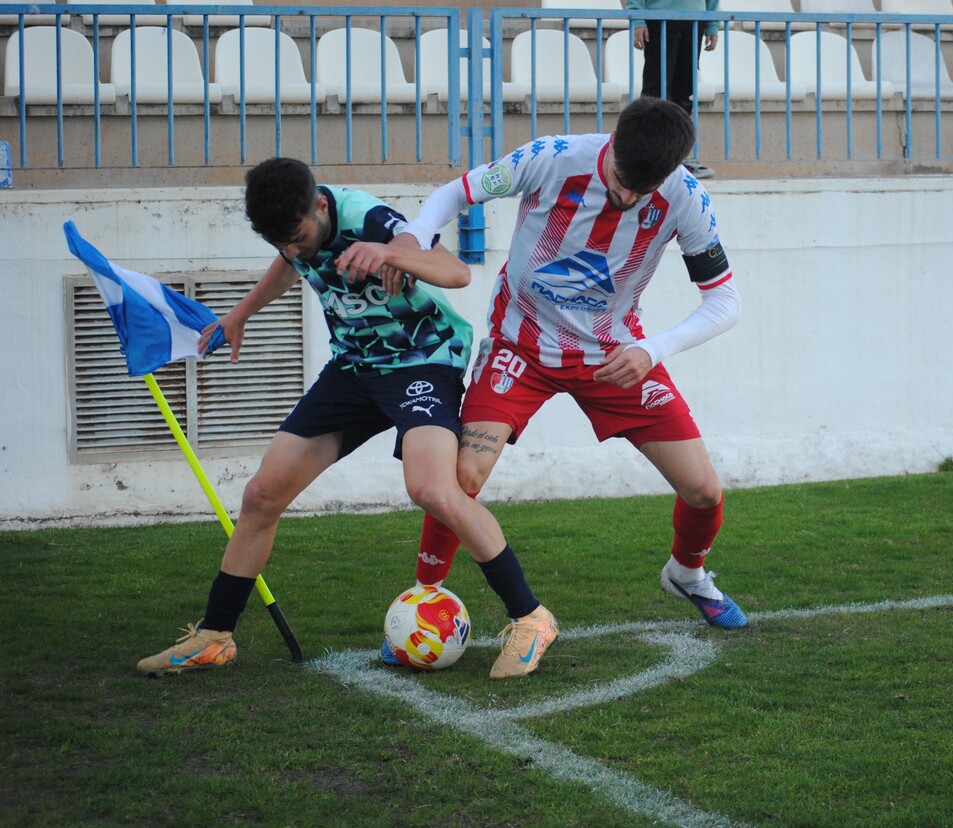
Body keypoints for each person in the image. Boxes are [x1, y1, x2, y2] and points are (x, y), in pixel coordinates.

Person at [137, 157, 557, 680]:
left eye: (297, 237)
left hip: (421, 360)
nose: (293, 250)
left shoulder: (370, 219)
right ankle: (215, 636)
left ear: (319, 205)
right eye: (280, 243)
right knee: (261, 495)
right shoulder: (293, 232)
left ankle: (531, 618)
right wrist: (240, 313)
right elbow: (289, 263)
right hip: (354, 369)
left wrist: (391, 252)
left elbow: (457, 273)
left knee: (433, 490)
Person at [396, 96, 748, 635]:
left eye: (642, 191)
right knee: (462, 476)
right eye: (621, 181)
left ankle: (687, 574)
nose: (626, 198)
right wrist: (417, 234)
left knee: (704, 491)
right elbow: (457, 192)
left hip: (615, 356)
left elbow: (725, 301)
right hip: (520, 347)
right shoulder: (552, 157)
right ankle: (424, 596)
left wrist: (652, 350)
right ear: (613, 142)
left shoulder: (686, 197)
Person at [626, 0, 719, 179]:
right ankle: (648, 156)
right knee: (656, 92)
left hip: (694, 20)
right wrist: (637, 19)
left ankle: (679, 156)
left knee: (684, 93)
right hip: (659, 18)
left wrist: (713, 23)